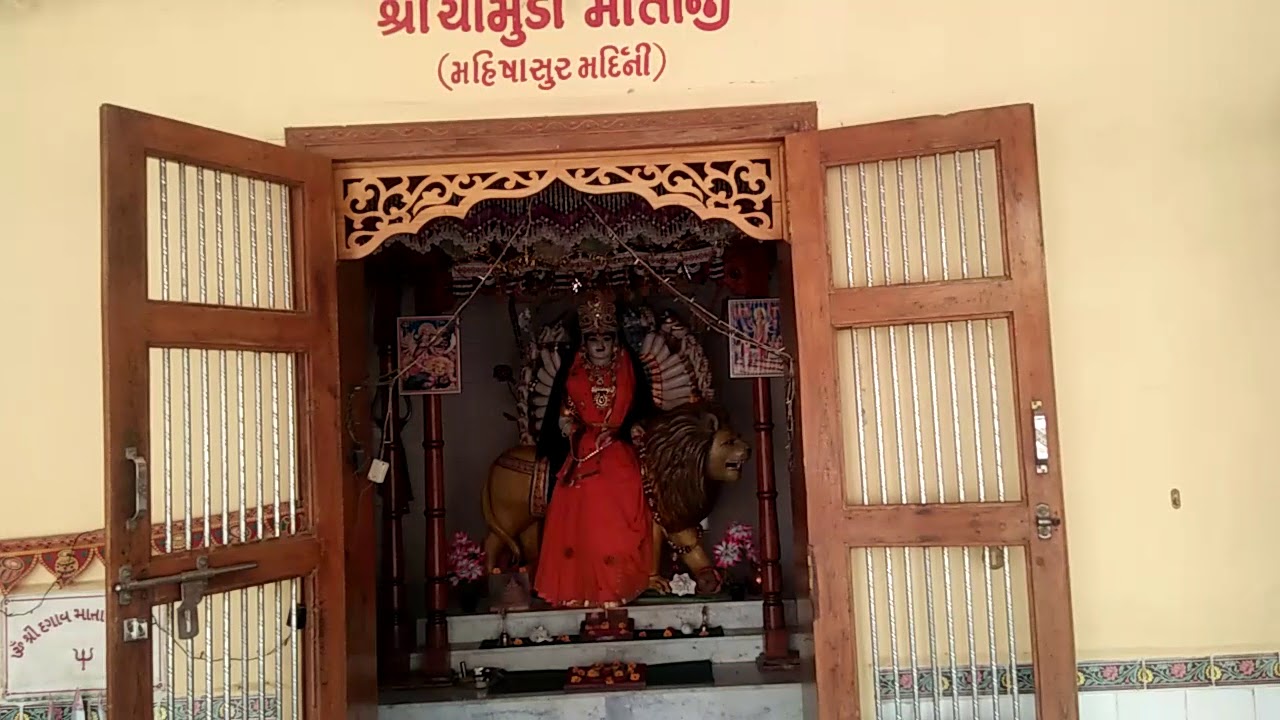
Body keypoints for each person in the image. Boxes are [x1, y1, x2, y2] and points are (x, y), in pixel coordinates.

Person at [533, 289, 654, 607]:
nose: (600, 344)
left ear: (616, 341)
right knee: (583, 517)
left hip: (620, 449)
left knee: (623, 516)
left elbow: (643, 410)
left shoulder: (630, 370)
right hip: (583, 452)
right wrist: (572, 428)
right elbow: (563, 414)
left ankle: (616, 588)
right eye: (592, 338)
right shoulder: (571, 374)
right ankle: (584, 590)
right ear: (583, 343)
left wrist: (628, 430)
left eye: (607, 337)